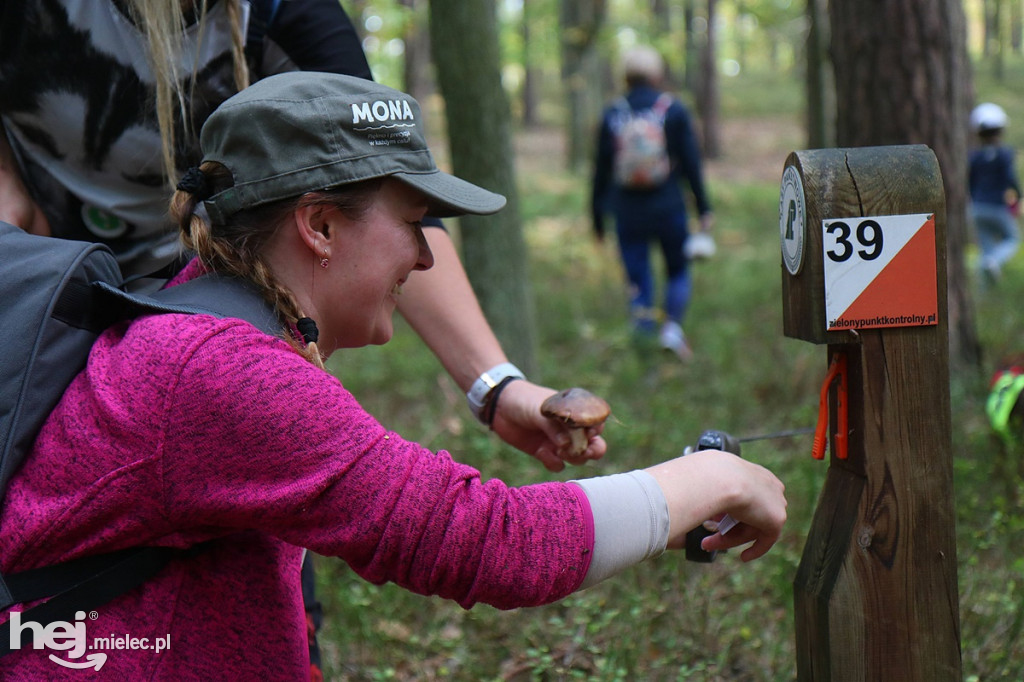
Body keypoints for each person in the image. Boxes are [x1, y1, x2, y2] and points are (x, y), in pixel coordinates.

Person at [0, 71, 787, 678]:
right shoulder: (223, 373)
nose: (424, 256)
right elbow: (494, 545)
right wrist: (709, 481)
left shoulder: (205, 322)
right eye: (413, 224)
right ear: (319, 224)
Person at [0, 0, 601, 470]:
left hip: (220, 293)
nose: (417, 254)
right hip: (44, 292)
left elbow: (386, 195)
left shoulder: (284, 12)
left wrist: (494, 386)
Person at [591, 45, 714, 362]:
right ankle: (671, 331)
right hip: (668, 207)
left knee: (637, 275)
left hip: (627, 210)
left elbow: (601, 170)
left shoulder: (613, 112)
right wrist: (703, 207)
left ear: (625, 76)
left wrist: (597, 217)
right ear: (657, 74)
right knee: (677, 269)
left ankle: (643, 335)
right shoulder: (673, 109)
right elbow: (690, 163)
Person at [968, 102, 1021, 283]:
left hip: (977, 208)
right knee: (1012, 239)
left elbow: (970, 182)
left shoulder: (975, 156)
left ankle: (985, 290)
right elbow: (1010, 179)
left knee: (986, 248)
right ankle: (993, 262)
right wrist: (1019, 198)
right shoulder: (1004, 154)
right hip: (997, 207)